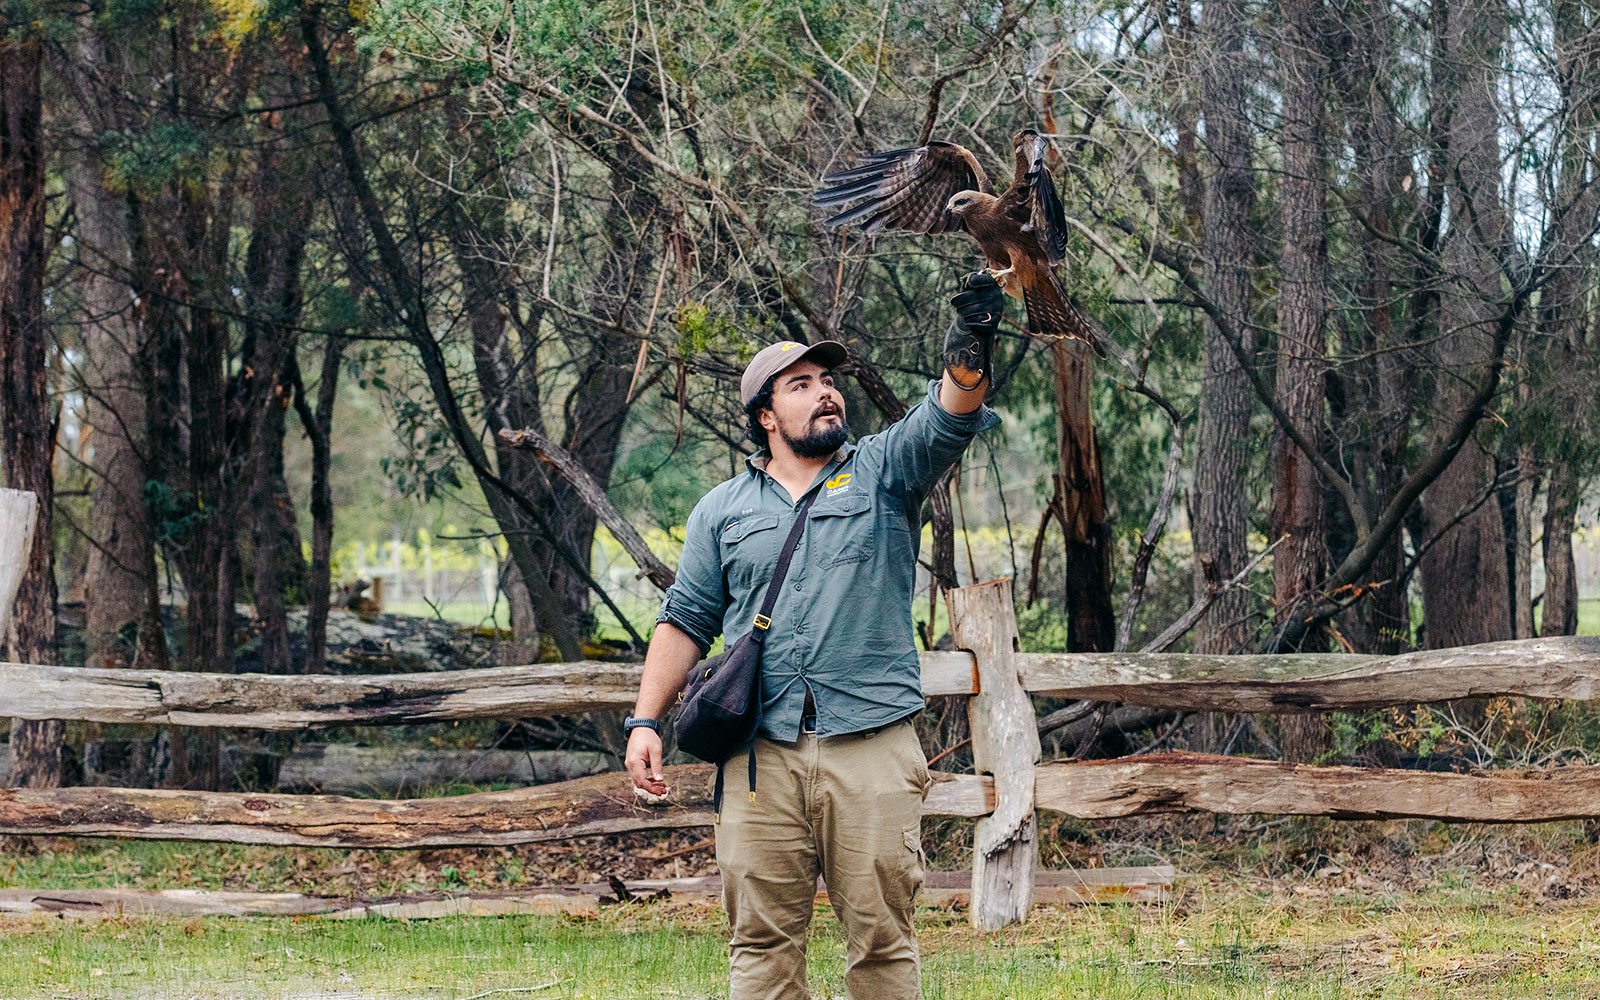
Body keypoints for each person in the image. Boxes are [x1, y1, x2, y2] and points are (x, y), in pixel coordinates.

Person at [624, 272, 1005, 1000]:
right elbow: (687, 619)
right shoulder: (722, 510)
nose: (825, 391)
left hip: (870, 746)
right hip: (758, 756)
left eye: (827, 380)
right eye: (799, 385)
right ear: (765, 414)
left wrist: (972, 340)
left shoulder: (884, 474)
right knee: (761, 949)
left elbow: (950, 411)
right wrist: (645, 719)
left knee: (884, 947)